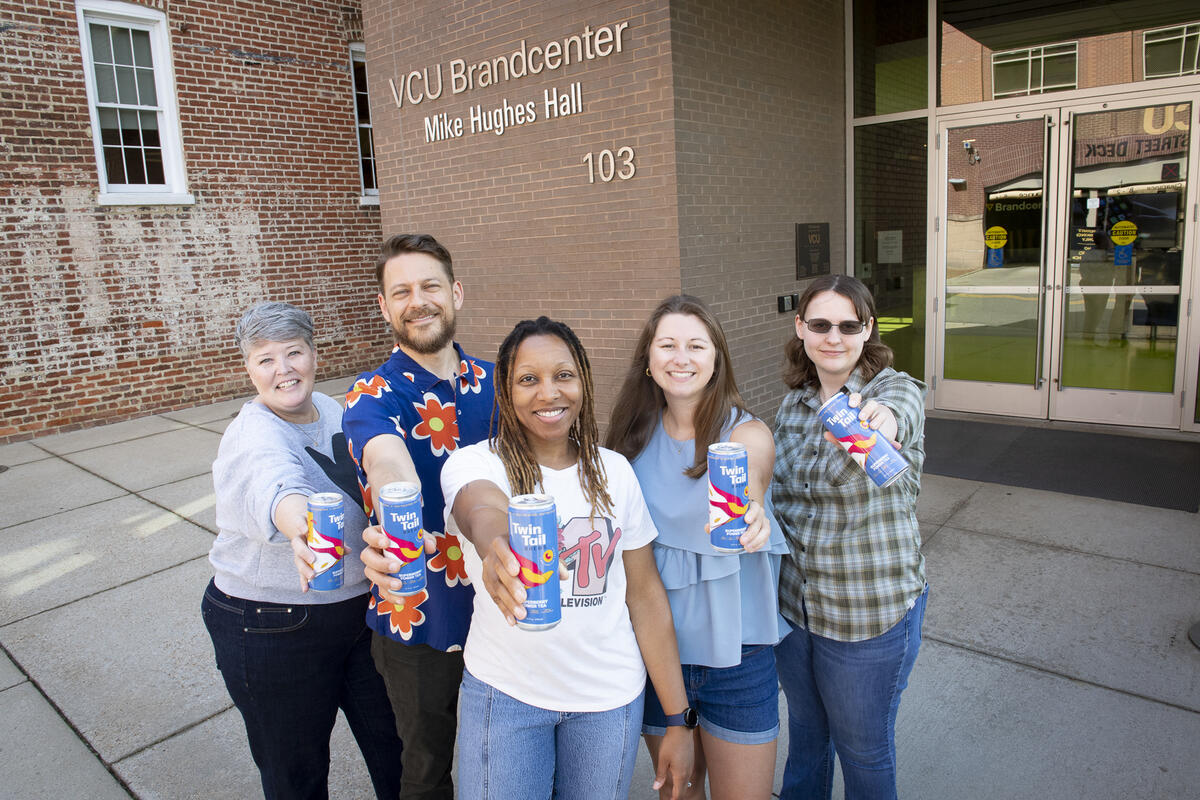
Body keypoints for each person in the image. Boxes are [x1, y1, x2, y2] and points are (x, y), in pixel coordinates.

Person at [437, 316, 695, 799]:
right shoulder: (475, 462)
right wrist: (497, 544)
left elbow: (644, 594)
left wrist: (679, 720)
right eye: (528, 380)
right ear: (506, 392)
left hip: (608, 699)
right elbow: (480, 505)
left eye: (563, 375)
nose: (548, 393)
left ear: (583, 382)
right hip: (505, 694)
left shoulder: (615, 472)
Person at [201, 301, 404, 800]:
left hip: (358, 613)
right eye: (265, 359)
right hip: (270, 622)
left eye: (293, 353)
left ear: (314, 354)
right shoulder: (254, 433)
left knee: (397, 749)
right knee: (297, 774)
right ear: (248, 369)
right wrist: (302, 530)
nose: (283, 370)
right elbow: (276, 486)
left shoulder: (332, 410)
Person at [606, 295, 790, 800]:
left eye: (695, 345)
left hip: (737, 656)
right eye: (667, 344)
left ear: (716, 358)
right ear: (648, 359)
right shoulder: (627, 442)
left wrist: (751, 510)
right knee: (677, 795)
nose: (680, 357)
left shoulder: (747, 432)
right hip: (655, 658)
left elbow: (749, 476)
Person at [339, 234, 496, 799]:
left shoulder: (503, 383)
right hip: (417, 616)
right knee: (427, 773)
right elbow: (386, 461)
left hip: (505, 609)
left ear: (456, 293)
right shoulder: (371, 396)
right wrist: (396, 507)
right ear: (384, 307)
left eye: (430, 286)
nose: (418, 300)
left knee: (503, 763)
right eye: (400, 291)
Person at [771, 274, 928, 800]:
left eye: (848, 325)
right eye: (820, 324)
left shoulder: (891, 391)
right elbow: (783, 497)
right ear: (801, 328)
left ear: (868, 330)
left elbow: (900, 409)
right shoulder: (793, 407)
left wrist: (883, 422)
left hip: (867, 615)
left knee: (863, 753)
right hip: (797, 612)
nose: (833, 336)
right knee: (808, 741)